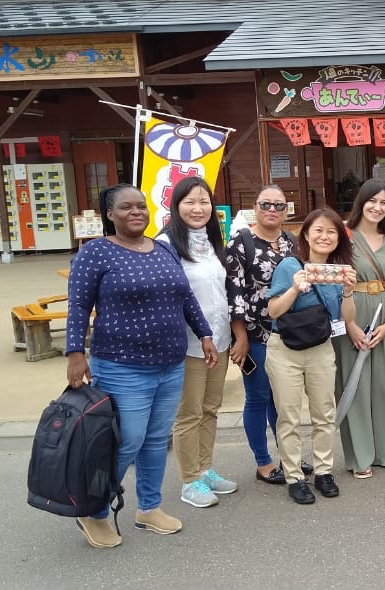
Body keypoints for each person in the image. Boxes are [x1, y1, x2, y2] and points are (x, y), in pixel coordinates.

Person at [65, 184, 217, 548]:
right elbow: (78, 306)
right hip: (120, 366)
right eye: (125, 207)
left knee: (153, 441)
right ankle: (94, 510)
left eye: (141, 206)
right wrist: (74, 353)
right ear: (110, 214)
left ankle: (149, 507)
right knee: (126, 441)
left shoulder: (162, 248)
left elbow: (185, 297)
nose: (136, 212)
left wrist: (205, 334)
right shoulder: (96, 253)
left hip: (170, 364)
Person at [267, 209, 356, 505]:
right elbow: (274, 311)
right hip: (285, 349)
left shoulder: (337, 270)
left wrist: (347, 292)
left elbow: (346, 318)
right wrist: (295, 286)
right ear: (306, 234)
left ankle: (323, 471)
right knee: (289, 416)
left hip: (320, 347)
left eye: (331, 232)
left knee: (324, 413)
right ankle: (294, 476)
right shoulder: (289, 265)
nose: (324, 237)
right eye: (318, 230)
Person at [156, 177, 235, 508]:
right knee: (188, 413)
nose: (198, 208)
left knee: (210, 408)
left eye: (204, 201)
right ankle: (190, 480)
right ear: (176, 206)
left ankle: (205, 469)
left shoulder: (214, 242)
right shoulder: (165, 245)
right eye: (190, 201)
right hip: (188, 344)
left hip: (221, 339)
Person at [225, 186, 308, 486]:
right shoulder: (241, 241)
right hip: (255, 334)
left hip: (287, 332)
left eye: (279, 205)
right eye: (265, 204)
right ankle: (263, 462)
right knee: (259, 397)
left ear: (287, 210)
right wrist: (240, 338)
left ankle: (289, 456)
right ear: (255, 208)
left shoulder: (291, 242)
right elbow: (233, 293)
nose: (272, 210)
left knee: (281, 399)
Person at [335, 180, 385, 477]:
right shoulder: (343, 236)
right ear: (361, 202)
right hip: (351, 314)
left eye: (384, 203)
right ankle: (360, 457)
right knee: (356, 387)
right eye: (372, 201)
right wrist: (349, 325)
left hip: (383, 319)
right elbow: (335, 282)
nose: (377, 207)